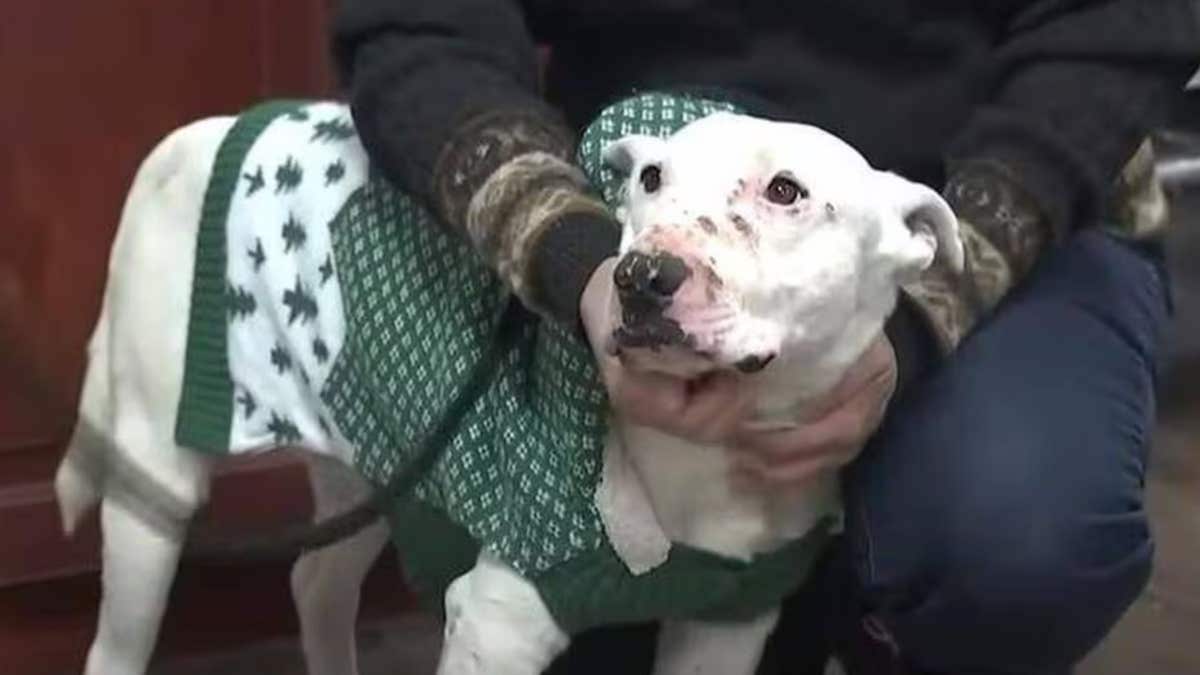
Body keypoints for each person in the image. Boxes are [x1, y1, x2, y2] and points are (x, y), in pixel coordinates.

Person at [329, 1, 1199, 673]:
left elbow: (1121, 27)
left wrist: (926, 306)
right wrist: (576, 258)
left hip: (998, 191)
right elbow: (415, 24)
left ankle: (866, 612)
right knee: (566, 603)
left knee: (1016, 539)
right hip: (632, 209)